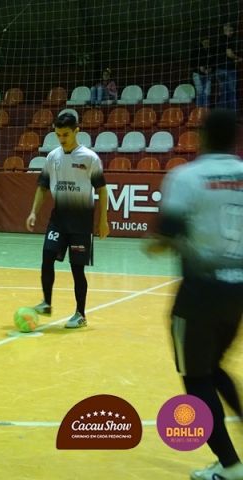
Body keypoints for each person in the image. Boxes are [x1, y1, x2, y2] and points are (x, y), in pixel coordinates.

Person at [146, 109, 243, 480]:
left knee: (196, 379)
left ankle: (230, 466)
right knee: (215, 368)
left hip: (199, 293)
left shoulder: (185, 177)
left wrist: (155, 245)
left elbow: (165, 237)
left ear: (202, 137)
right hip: (238, 292)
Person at [26, 112, 109, 328]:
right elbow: (42, 187)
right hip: (58, 219)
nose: (61, 139)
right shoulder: (52, 157)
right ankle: (47, 302)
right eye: (58, 135)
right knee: (47, 257)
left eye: (65, 134)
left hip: (81, 223)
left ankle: (80, 314)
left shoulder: (90, 158)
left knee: (77, 269)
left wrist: (103, 221)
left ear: (76, 131)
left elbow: (102, 190)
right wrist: (33, 212)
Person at [215, 23, 242, 113]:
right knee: (231, 92)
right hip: (228, 70)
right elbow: (229, 54)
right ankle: (232, 114)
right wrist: (239, 58)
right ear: (226, 30)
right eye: (230, 30)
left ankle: (220, 113)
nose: (232, 32)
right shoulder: (227, 39)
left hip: (220, 70)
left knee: (223, 92)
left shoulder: (219, 40)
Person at [193, 37, 216, 107]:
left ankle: (206, 111)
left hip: (208, 74)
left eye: (208, 42)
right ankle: (198, 111)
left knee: (207, 93)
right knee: (200, 93)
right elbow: (192, 63)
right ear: (201, 42)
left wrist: (210, 69)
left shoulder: (212, 50)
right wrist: (199, 67)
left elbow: (214, 62)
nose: (206, 44)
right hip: (197, 74)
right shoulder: (196, 50)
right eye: (205, 42)